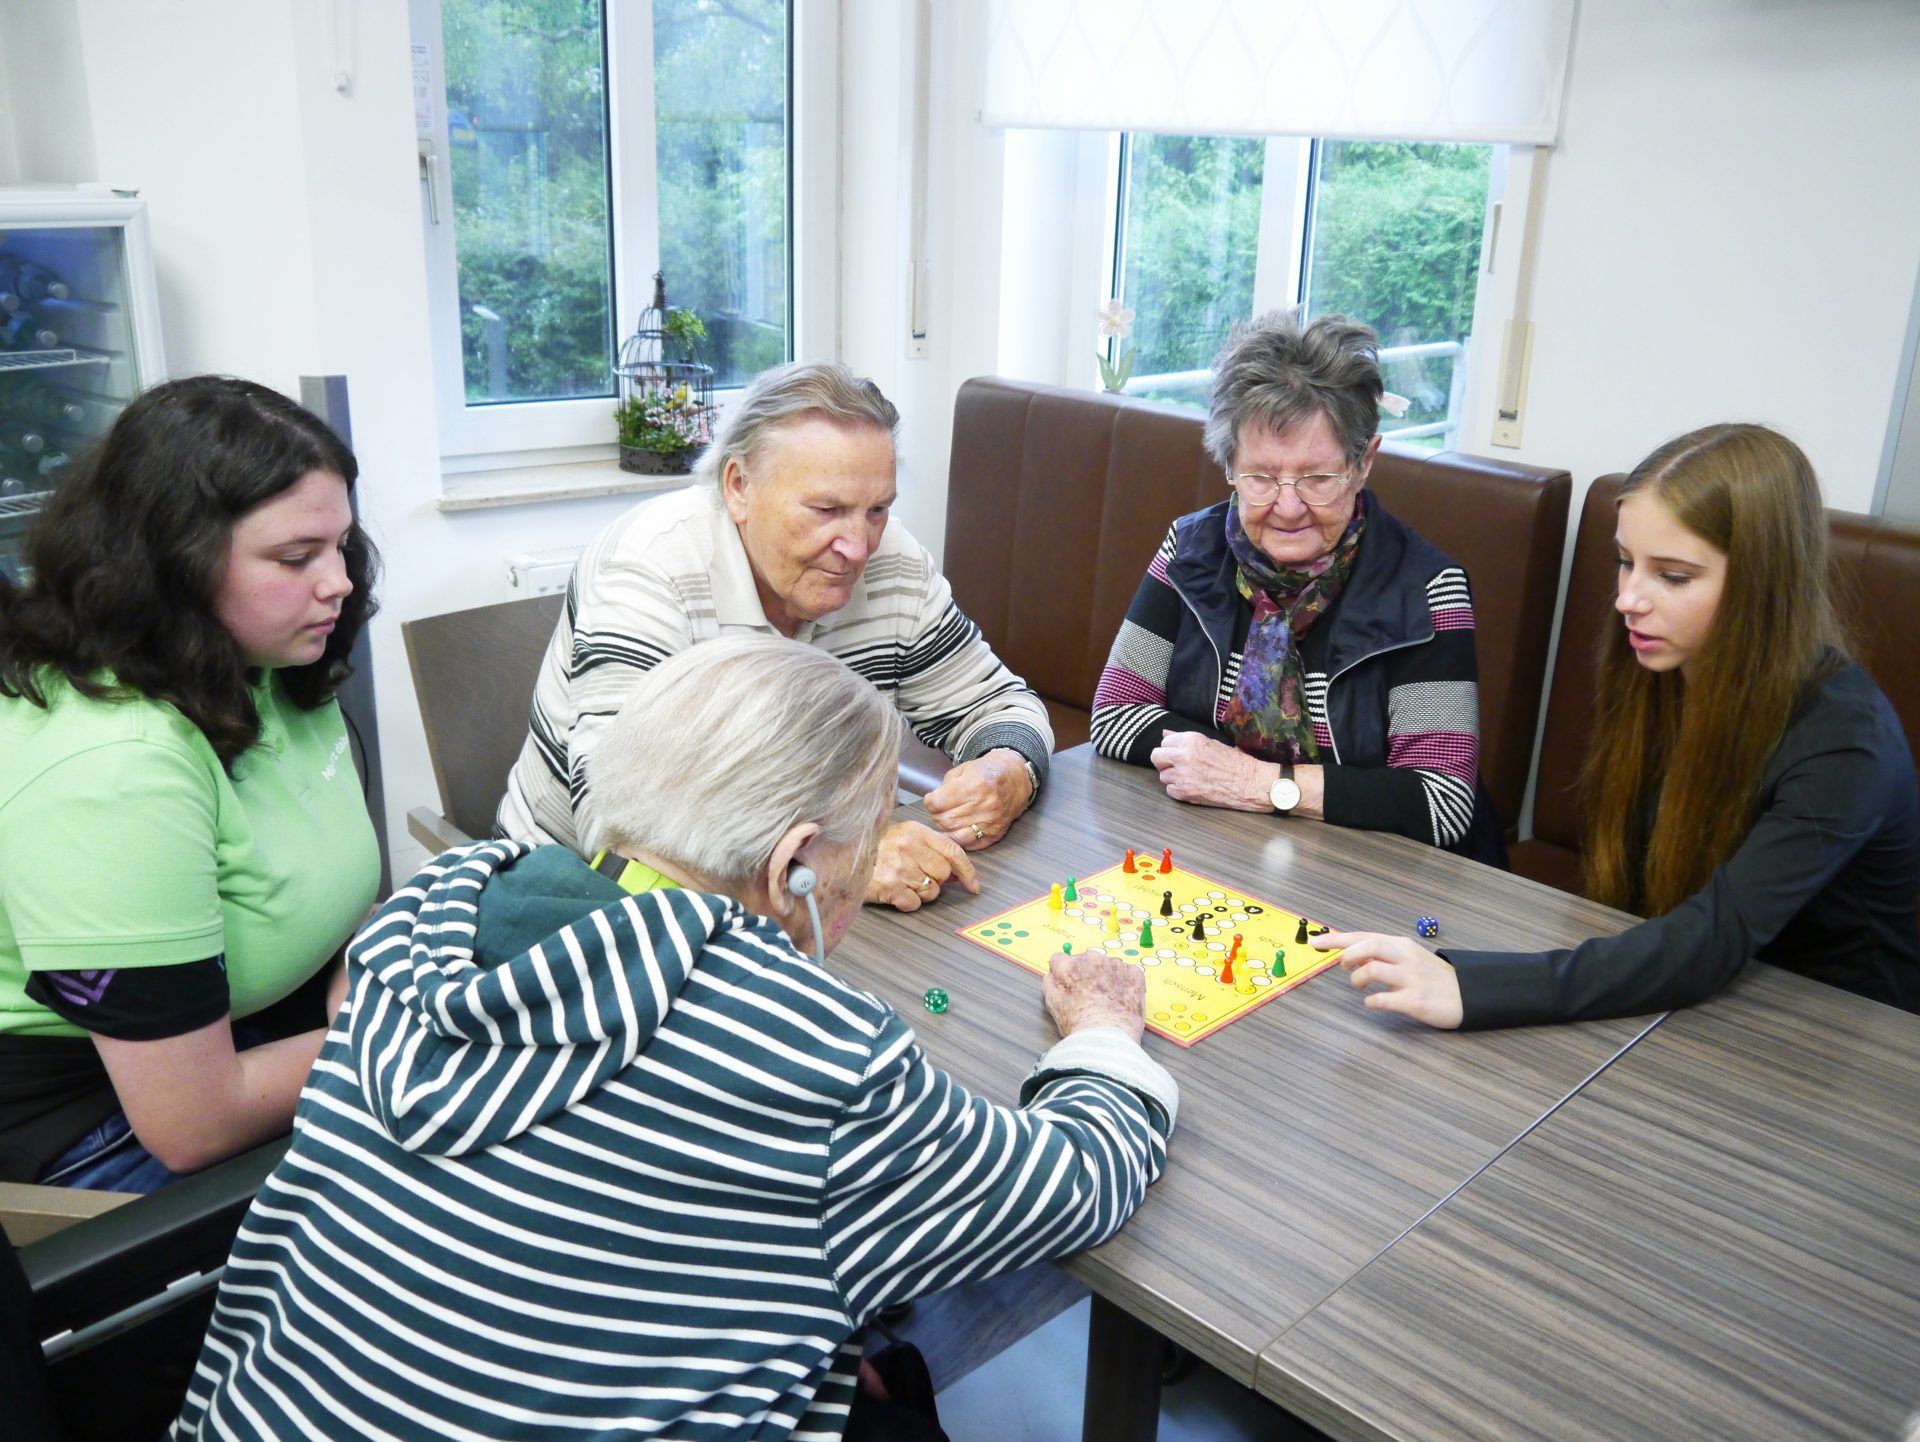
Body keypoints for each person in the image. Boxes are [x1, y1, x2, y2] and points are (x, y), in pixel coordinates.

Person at [175, 635, 1177, 1442]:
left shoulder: (425, 913)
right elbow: (1075, 1185)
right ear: (795, 865)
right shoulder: (811, 1054)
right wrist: (1101, 1034)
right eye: (868, 837)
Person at [1323, 423, 1920, 1027]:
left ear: (1765, 583)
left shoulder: (1847, 741)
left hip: (1839, 1030)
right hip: (1693, 991)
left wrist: (1468, 985)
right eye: (1625, 562)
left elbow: (1710, 937)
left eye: (1673, 576)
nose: (1629, 598)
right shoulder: (1661, 663)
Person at [0, 377, 381, 1193]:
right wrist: (398, 1034)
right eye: (296, 557)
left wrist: (364, 960)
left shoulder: (271, 660)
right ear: (174, 564)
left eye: (341, 544)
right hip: (104, 1109)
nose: (339, 582)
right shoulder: (114, 768)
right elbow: (193, 1124)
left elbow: (326, 882)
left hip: (271, 1027)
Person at [498, 360, 1053, 912]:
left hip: (800, 901)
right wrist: (841, 858)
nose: (858, 547)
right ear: (739, 486)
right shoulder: (649, 566)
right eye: (827, 509)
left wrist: (1006, 768)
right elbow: (615, 819)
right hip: (580, 899)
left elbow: (999, 703)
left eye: (877, 509)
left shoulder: (895, 562)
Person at [1090, 309, 1505, 865]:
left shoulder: (1428, 589)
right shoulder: (1189, 550)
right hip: (1224, 851)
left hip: (1373, 878)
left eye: (1317, 478)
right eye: (1261, 477)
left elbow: (1441, 801)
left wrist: (1260, 784)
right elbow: (1116, 717)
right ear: (1229, 464)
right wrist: (1269, 787)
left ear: (1364, 463)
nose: (1287, 507)